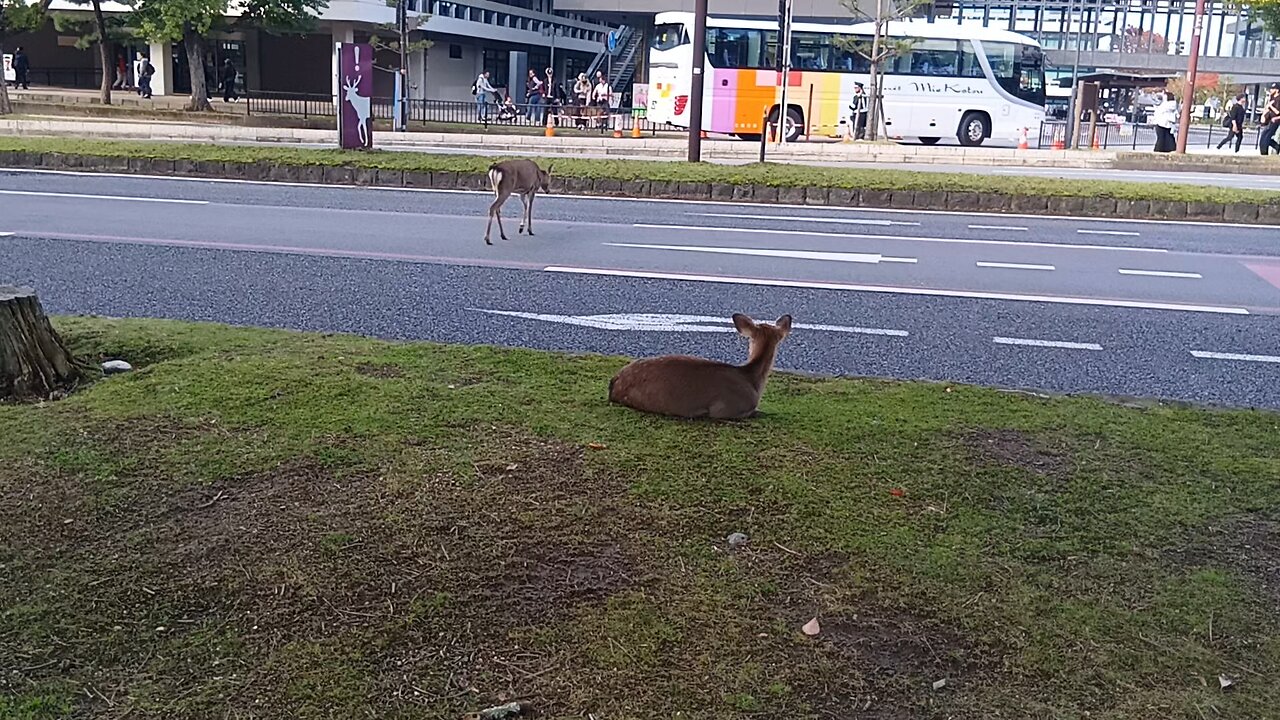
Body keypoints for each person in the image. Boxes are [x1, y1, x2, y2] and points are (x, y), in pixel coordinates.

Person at [1260, 83, 1280, 156]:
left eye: (1273, 89)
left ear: (1277, 90)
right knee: (1263, 137)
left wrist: (1270, 106)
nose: (1271, 90)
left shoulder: (1279, 99)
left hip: (1275, 121)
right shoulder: (1271, 97)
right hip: (1269, 120)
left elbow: (1277, 112)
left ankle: (1265, 153)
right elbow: (1267, 109)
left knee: (1267, 137)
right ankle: (1276, 147)